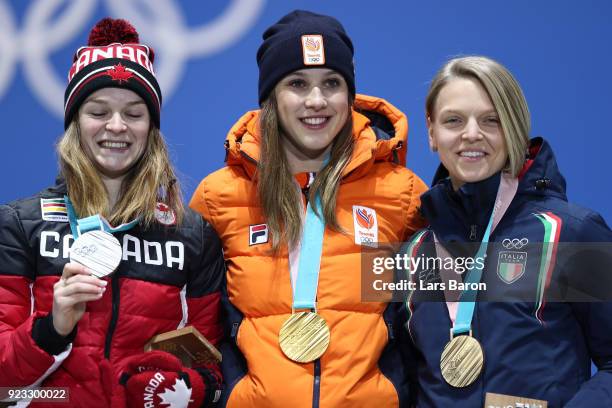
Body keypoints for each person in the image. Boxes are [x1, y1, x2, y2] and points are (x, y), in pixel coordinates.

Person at [189, 9, 427, 408]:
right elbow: (190, 322)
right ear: (271, 97)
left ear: (350, 96)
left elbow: (458, 308)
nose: (316, 101)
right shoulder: (219, 196)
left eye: (331, 84)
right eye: (297, 83)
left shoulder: (400, 194)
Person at [0, 18, 223, 407]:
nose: (116, 126)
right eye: (99, 111)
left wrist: (182, 392)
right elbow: (4, 388)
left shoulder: (191, 236)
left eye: (134, 114)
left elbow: (212, 370)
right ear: (75, 123)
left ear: (151, 129)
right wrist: (53, 329)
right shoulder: (20, 225)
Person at [402, 56, 612, 407]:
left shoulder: (571, 233)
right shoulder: (412, 255)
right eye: (453, 120)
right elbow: (403, 383)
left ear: (514, 128)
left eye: (491, 120)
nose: (472, 133)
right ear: (431, 132)